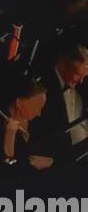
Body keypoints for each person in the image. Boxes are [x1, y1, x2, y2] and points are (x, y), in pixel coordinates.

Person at [34, 39, 88, 167]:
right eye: (77, 74)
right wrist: (55, 161)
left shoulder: (82, 85)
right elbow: (45, 139)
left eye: (85, 76)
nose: (81, 81)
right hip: (63, 164)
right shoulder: (42, 89)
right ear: (62, 64)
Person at [0, 76, 53, 173]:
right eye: (35, 108)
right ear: (19, 102)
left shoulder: (36, 123)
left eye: (41, 108)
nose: (39, 114)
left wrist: (51, 161)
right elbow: (4, 166)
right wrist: (10, 135)